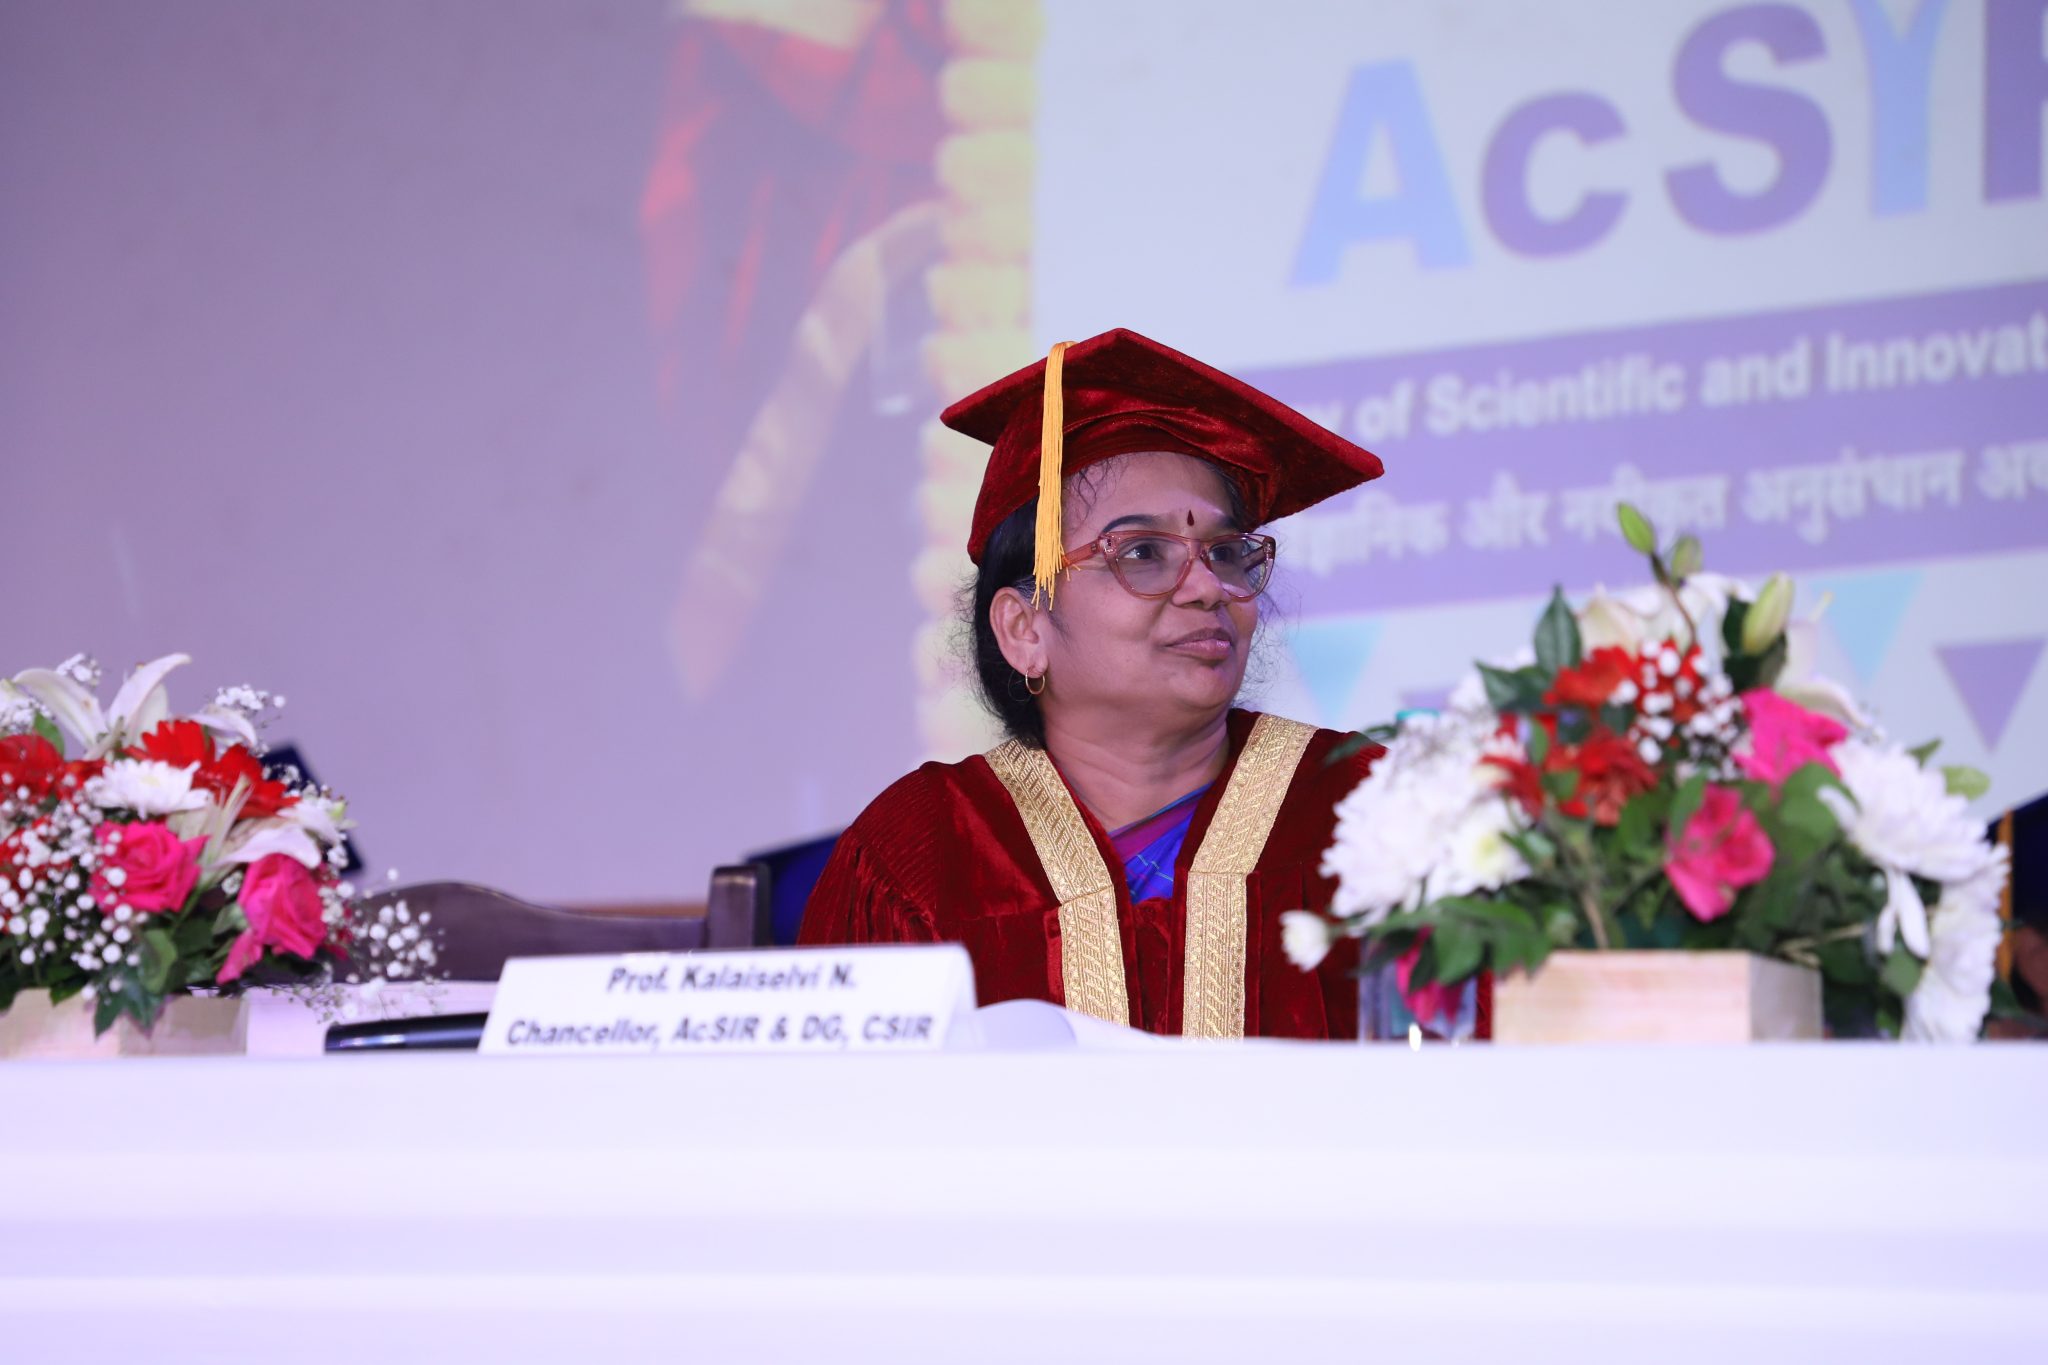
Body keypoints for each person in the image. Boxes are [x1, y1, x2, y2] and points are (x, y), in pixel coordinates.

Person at [798, 328, 1385, 1038]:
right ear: (1024, 629)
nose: (1207, 587)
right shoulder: (922, 853)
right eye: (1141, 552)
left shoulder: (1366, 812)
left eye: (1227, 552)